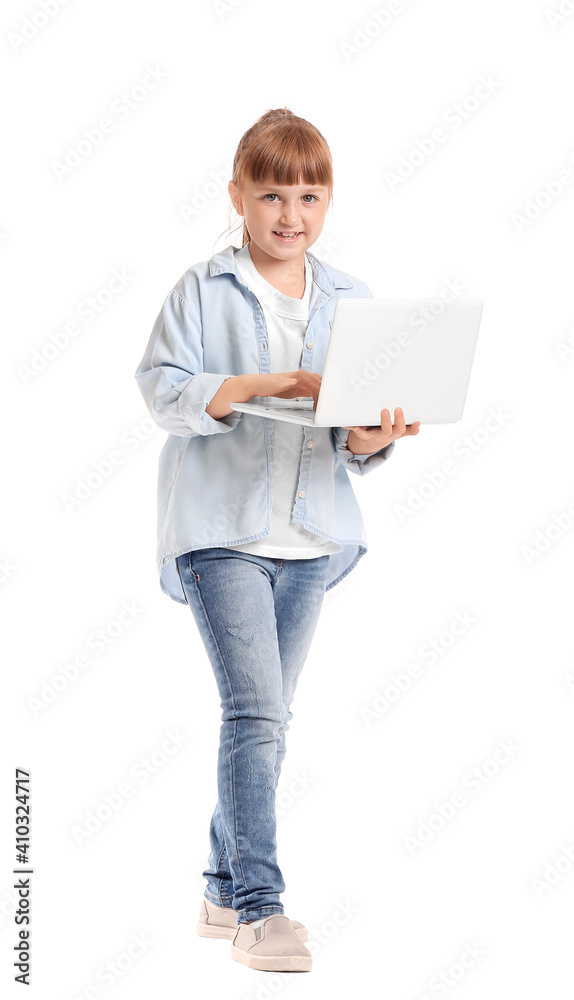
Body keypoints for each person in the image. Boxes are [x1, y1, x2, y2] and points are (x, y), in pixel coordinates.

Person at [134, 107, 420, 973]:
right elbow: (161, 390)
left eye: (308, 194)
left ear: (327, 201)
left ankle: (221, 889)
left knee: (267, 721)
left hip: (311, 539)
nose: (290, 214)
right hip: (219, 531)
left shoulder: (353, 301)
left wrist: (376, 438)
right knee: (255, 715)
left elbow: (350, 441)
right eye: (270, 195)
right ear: (238, 198)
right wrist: (272, 381)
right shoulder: (201, 289)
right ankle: (262, 912)